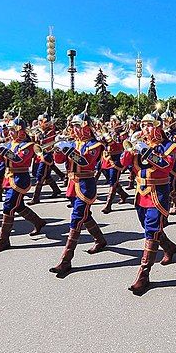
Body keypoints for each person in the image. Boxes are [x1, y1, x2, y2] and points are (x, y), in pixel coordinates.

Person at [119, 111, 176, 295]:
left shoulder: (170, 146)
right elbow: (122, 162)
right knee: (149, 228)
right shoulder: (138, 143)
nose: (145, 128)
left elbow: (165, 166)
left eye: (150, 124)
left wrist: (146, 150)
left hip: (158, 192)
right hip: (140, 192)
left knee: (151, 229)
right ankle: (169, 247)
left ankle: (143, 275)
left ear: (159, 126)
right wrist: (130, 149)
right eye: (143, 125)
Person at [49, 106, 109, 278]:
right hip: (72, 183)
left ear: (86, 127)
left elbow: (85, 162)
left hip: (85, 184)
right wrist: (57, 149)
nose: (74, 129)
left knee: (76, 218)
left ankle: (66, 260)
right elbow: (59, 161)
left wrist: (68, 149)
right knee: (85, 216)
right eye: (73, 126)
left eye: (77, 126)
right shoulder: (73, 142)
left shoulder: (95, 144)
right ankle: (100, 239)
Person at [0, 116, 47, 253]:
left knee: (8, 206)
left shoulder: (29, 146)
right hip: (9, 177)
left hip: (20, 178)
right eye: (10, 130)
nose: (10, 133)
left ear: (21, 131)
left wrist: (3, 151)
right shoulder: (10, 143)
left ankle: (3, 240)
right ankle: (38, 222)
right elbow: (0, 160)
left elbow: (19, 160)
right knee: (18, 206)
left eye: (13, 130)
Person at [27, 112, 64, 205]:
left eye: (41, 122)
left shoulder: (50, 132)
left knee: (40, 176)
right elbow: (36, 143)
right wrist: (33, 137)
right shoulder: (39, 132)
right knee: (41, 174)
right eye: (39, 121)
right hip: (38, 155)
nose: (39, 124)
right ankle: (56, 190)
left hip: (46, 155)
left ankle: (36, 198)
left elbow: (47, 142)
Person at [100, 115, 129, 214]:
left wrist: (107, 136)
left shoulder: (122, 133)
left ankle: (108, 205)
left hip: (116, 159)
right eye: (110, 121)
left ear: (117, 122)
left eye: (113, 121)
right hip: (106, 159)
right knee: (111, 180)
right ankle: (123, 194)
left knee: (113, 181)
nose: (111, 123)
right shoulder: (109, 132)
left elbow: (115, 145)